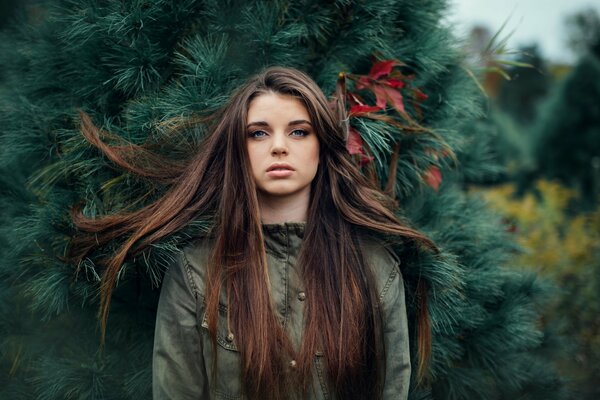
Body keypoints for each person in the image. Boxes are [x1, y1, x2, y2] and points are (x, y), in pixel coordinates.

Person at [69, 66, 435, 399]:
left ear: (321, 147)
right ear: (239, 149)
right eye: (259, 133)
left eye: (298, 131)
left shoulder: (374, 268)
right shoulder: (196, 270)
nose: (279, 146)